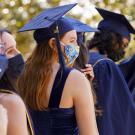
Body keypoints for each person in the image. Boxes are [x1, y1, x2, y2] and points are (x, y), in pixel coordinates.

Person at [18, 4, 99, 135]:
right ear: (53, 44)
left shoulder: (23, 76)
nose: (77, 46)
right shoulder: (74, 78)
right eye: (72, 41)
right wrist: (84, 86)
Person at [88, 7, 135, 135]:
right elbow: (113, 115)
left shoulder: (77, 59)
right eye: (124, 45)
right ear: (113, 38)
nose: (123, 51)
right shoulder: (106, 65)